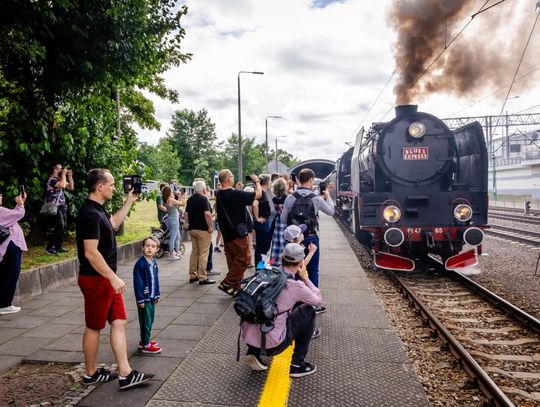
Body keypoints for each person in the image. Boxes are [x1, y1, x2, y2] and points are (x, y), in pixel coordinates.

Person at [76, 168, 153, 389]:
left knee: (119, 321)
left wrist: (129, 201)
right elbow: (91, 252)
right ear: (100, 187)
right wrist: (112, 278)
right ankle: (90, 374)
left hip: (106, 279)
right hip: (97, 279)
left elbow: (114, 224)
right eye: (110, 184)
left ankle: (125, 372)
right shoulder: (90, 214)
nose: (113, 187)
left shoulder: (97, 210)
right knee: (94, 326)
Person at [242, 243, 322, 378]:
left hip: (249, 339)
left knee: (268, 308)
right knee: (309, 310)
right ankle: (297, 365)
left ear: (281, 257)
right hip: (273, 345)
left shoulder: (265, 274)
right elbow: (318, 301)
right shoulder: (295, 286)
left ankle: (254, 352)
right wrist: (305, 277)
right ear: (301, 263)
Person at [281, 168, 334, 290]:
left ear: (299, 180)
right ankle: (312, 301)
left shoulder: (290, 198)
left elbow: (283, 220)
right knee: (313, 270)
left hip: (293, 241)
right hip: (311, 238)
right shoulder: (316, 198)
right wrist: (328, 196)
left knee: (293, 269)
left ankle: (296, 298)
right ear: (311, 180)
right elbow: (331, 212)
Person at [215, 169, 261, 295]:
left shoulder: (218, 194)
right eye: (232, 176)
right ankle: (227, 282)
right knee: (245, 259)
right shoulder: (235, 194)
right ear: (229, 178)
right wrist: (256, 181)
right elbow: (258, 194)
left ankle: (236, 289)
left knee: (233, 261)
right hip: (237, 233)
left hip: (227, 233)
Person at [0, 189, 27, 314]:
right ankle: (5, 305)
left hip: (9, 247)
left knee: (7, 273)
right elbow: (18, 214)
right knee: (11, 273)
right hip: (10, 246)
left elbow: (13, 214)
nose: (1, 196)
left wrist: (21, 203)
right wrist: (20, 203)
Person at [133, 236, 162, 354]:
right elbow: (138, 283)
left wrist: (157, 294)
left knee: (150, 320)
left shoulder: (153, 263)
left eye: (153, 246)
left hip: (151, 296)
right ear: (142, 248)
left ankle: (145, 340)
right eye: (147, 246)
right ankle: (146, 345)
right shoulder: (140, 264)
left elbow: (156, 280)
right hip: (144, 298)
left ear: (157, 249)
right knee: (146, 321)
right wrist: (140, 299)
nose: (150, 248)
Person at [185, 179, 215, 285]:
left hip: (192, 229)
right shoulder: (204, 200)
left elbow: (186, 214)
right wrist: (210, 226)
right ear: (203, 189)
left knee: (194, 252)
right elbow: (207, 214)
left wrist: (190, 223)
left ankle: (193, 275)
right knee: (203, 254)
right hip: (203, 230)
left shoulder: (190, 200)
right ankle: (203, 277)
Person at [45, 163, 74, 255]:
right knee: (60, 226)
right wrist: (63, 175)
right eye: (60, 168)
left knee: (63, 226)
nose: (62, 169)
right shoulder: (52, 179)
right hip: (54, 206)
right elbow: (62, 185)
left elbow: (71, 187)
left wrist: (69, 176)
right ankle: (49, 247)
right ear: (55, 169)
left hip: (62, 206)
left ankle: (58, 246)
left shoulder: (60, 179)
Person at [252, 174, 273, 267]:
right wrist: (257, 218)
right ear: (267, 182)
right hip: (262, 223)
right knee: (263, 247)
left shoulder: (261, 192)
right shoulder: (261, 193)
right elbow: (255, 204)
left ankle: (260, 267)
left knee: (260, 247)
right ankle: (261, 268)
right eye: (270, 181)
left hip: (262, 222)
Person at [269, 178, 288, 267]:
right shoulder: (287, 198)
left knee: (276, 242)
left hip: (277, 223)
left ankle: (274, 263)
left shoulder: (274, 199)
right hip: (285, 223)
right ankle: (284, 264)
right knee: (284, 243)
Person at [162, 185, 183, 260]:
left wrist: (178, 195)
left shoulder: (167, 200)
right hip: (174, 220)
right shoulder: (170, 199)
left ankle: (177, 252)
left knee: (178, 237)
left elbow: (177, 205)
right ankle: (171, 254)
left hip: (172, 219)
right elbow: (182, 203)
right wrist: (181, 195)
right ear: (169, 192)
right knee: (173, 238)